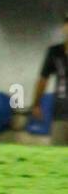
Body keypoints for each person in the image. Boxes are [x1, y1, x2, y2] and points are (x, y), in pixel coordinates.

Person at [32, 15, 68, 145]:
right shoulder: (55, 52)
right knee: (58, 155)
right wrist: (36, 104)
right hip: (61, 113)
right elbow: (43, 80)